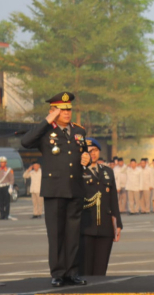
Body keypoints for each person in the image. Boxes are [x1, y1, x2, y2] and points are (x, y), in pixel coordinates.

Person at [21, 92, 89, 287]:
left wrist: (87, 158)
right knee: (56, 234)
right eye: (62, 110)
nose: (67, 113)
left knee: (73, 234)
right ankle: (58, 273)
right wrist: (46, 121)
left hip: (75, 188)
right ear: (53, 111)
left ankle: (73, 272)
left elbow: (82, 155)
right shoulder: (45, 132)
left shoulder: (79, 131)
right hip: (54, 190)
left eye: (69, 109)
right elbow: (25, 142)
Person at [78, 138, 122, 276]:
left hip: (105, 228)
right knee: (85, 270)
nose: (93, 154)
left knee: (101, 270)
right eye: (89, 151)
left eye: (95, 150)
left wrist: (118, 224)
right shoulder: (78, 172)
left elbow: (113, 199)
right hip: (86, 227)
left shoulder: (107, 171)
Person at [0, 156, 13, 220]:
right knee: (0, 202)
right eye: (1, 162)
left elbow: (11, 179)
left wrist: (11, 187)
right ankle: (2, 215)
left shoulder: (9, 170)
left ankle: (6, 215)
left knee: (6, 202)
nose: (1, 163)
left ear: (6, 163)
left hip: (6, 187)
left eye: (3, 162)